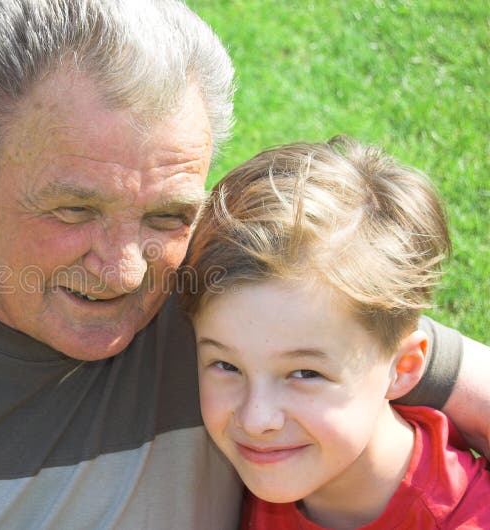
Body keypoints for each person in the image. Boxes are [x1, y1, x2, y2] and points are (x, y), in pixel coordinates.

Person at [0, 0, 486, 528]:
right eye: (74, 210)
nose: (126, 271)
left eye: (168, 214)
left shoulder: (226, 309)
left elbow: (385, 353)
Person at [181, 137, 490, 528]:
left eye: (306, 373)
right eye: (226, 365)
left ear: (405, 366)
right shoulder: (244, 470)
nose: (256, 418)